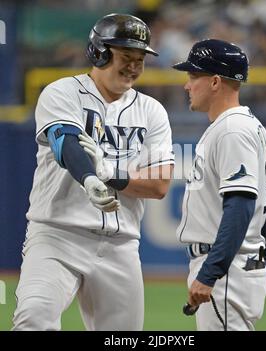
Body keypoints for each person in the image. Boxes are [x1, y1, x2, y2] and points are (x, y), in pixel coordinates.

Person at [13, 13, 174, 331]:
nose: (134, 67)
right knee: (34, 319)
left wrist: (110, 174)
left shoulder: (152, 111)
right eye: (126, 57)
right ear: (99, 52)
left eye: (140, 59)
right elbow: (64, 142)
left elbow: (159, 185)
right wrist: (90, 177)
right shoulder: (62, 93)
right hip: (57, 236)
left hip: (120, 244)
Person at [173, 39, 266, 331]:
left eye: (193, 76)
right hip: (234, 265)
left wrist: (210, 272)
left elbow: (240, 206)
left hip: (226, 271)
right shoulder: (244, 125)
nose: (186, 85)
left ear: (215, 81)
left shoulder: (232, 130)